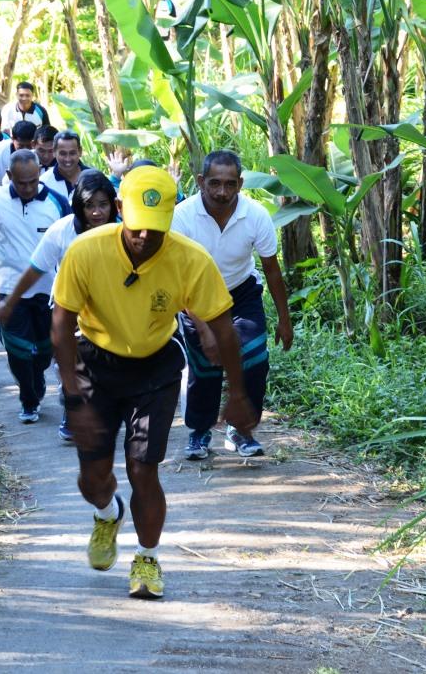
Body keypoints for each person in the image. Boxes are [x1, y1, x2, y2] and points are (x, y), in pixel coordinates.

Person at [51, 165, 255, 599]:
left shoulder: (190, 259)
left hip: (154, 368)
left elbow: (223, 330)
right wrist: (73, 397)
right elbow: (60, 324)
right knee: (93, 478)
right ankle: (107, 514)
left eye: (156, 229)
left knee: (144, 470)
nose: (145, 238)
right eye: (138, 228)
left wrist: (237, 396)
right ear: (120, 210)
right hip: (94, 363)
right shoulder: (86, 251)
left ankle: (147, 558)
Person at [172, 150, 294, 460]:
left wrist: (284, 318)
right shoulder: (182, 216)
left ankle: (241, 430)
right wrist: (203, 327)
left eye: (229, 184)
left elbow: (272, 269)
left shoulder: (255, 215)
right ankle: (199, 432)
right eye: (214, 183)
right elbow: (180, 279)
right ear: (201, 182)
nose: (222, 192)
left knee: (254, 356)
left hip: (241, 293)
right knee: (205, 363)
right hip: (196, 296)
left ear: (240, 184)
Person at [0, 170, 118, 441]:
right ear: (78, 206)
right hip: (68, 309)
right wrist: (9, 303)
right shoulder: (61, 231)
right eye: (89, 206)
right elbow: (35, 269)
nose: (97, 213)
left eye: (103, 205)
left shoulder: (122, 232)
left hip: (111, 310)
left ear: (113, 205)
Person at [0, 150, 70, 423]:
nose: (28, 188)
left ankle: (37, 380)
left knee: (45, 351)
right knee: (17, 349)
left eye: (33, 181)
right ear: (9, 176)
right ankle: (28, 398)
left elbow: (73, 236)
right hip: (10, 289)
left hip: (48, 291)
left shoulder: (56, 202)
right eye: (21, 182)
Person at [0, 120, 37, 191]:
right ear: (12, 139)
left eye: (29, 146)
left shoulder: (40, 151)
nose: (25, 150)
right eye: (20, 146)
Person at [40, 130, 91, 198]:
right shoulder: (44, 183)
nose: (68, 159)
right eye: (63, 153)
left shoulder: (94, 178)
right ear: (54, 152)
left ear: (80, 151)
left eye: (72, 153)